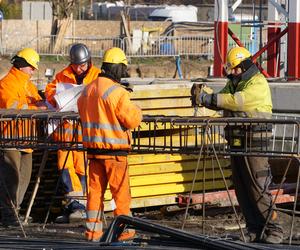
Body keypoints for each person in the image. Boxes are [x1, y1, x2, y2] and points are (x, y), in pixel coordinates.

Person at [191, 46, 283, 244]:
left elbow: (236, 102)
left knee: (257, 186)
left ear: (245, 65)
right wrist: (204, 97)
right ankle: (254, 228)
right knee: (241, 187)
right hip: (237, 140)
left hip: (255, 142)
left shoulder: (257, 83)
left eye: (235, 69)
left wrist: (209, 98)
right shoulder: (235, 82)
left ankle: (275, 229)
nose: (232, 73)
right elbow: (221, 99)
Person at [77, 47, 142, 242]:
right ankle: (124, 232)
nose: (123, 73)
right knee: (120, 196)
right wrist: (138, 110)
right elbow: (131, 120)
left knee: (95, 195)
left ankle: (93, 233)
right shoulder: (117, 92)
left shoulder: (87, 89)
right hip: (115, 154)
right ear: (117, 67)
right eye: (123, 68)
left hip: (94, 153)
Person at [45, 43, 101, 223]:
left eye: (82, 65)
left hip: (85, 132)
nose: (78, 69)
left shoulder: (97, 75)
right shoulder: (62, 75)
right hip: (65, 133)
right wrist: (55, 96)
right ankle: (74, 205)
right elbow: (50, 91)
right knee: (65, 167)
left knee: (82, 168)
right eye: (76, 65)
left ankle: (80, 205)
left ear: (89, 61)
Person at [0, 47, 47, 227]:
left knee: (24, 178)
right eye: (31, 67)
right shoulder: (6, 84)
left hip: (26, 138)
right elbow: (13, 107)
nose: (33, 70)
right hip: (10, 137)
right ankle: (8, 216)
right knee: (10, 178)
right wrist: (37, 108)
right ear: (22, 65)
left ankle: (15, 212)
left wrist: (44, 103)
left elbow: (35, 101)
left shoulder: (28, 84)